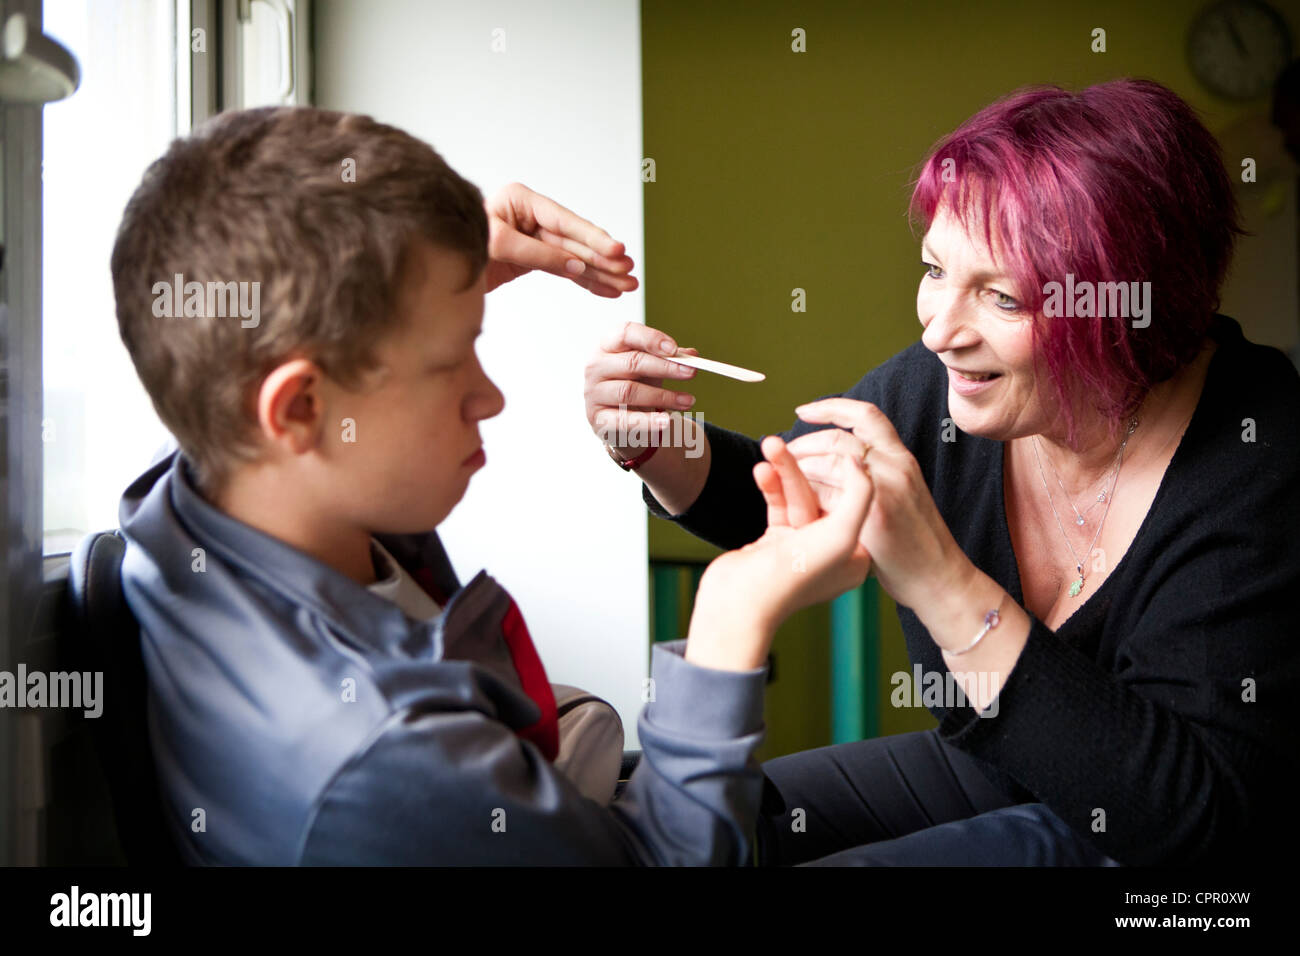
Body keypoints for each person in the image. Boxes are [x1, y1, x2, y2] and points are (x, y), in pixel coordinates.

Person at [110, 105, 876, 865]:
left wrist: (426, 263)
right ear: (302, 409)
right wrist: (730, 621)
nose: (491, 397)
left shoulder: (205, 501)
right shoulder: (382, 757)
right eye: (452, 361)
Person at [586, 78, 1300, 866]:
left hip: (1172, 846)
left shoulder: (1257, 457)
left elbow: (1197, 824)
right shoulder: (941, 392)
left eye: (1002, 297)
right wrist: (655, 442)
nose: (937, 333)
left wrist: (938, 577)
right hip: (997, 770)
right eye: (934, 270)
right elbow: (775, 502)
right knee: (714, 824)